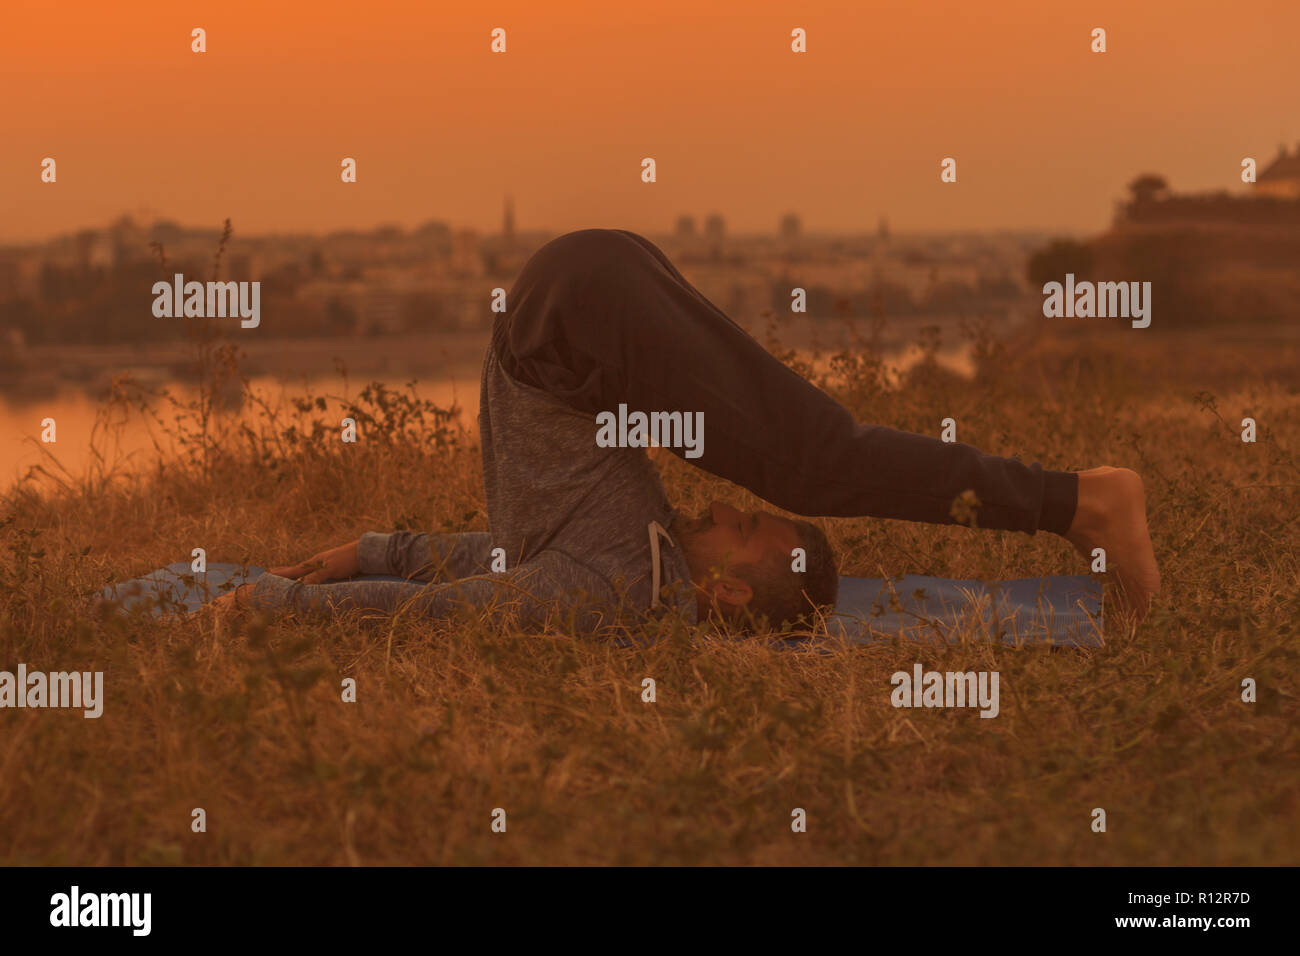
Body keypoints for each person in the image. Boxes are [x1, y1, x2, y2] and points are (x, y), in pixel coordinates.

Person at [213, 229, 1159, 631]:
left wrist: (307, 589)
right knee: (811, 462)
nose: (724, 506)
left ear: (732, 598)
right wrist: (352, 564)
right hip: (576, 320)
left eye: (745, 535)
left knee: (818, 463)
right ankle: (1074, 501)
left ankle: (1084, 500)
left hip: (577, 310)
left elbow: (454, 597)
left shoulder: (607, 588)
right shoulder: (638, 555)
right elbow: (481, 580)